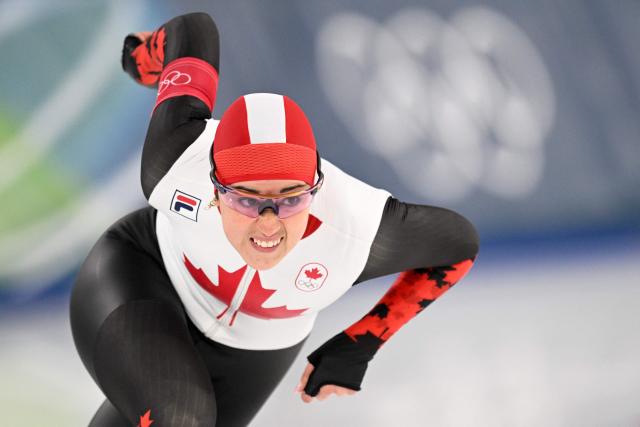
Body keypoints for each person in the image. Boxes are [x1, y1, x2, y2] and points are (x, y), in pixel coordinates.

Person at [69, 12, 479, 427]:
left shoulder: (357, 230)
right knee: (181, 417)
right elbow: (194, 30)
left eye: (291, 199)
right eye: (246, 201)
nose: (269, 223)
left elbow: (459, 246)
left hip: (257, 347)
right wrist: (143, 59)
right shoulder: (175, 161)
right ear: (213, 189)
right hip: (146, 275)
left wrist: (364, 340)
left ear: (316, 191)